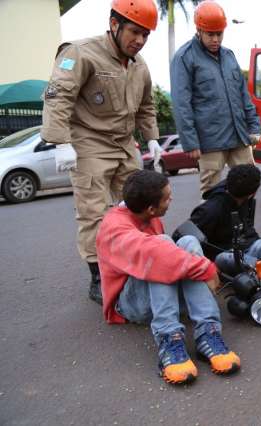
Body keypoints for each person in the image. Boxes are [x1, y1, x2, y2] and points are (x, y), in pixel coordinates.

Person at [41, 0, 161, 305]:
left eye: (145, 35)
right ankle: (99, 276)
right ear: (114, 24)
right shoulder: (80, 53)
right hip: (88, 141)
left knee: (139, 205)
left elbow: (146, 107)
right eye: (135, 32)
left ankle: (137, 264)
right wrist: (61, 141)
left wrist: (152, 140)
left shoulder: (140, 65)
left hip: (123, 143)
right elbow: (58, 96)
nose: (140, 40)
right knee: (94, 211)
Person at [96, 170, 241, 385]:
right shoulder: (114, 228)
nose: (171, 199)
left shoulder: (146, 214)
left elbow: (172, 258)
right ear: (151, 208)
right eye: (167, 197)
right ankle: (168, 338)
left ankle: (207, 332)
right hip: (131, 306)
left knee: (188, 242)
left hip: (160, 295)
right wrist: (207, 269)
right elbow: (158, 256)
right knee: (161, 248)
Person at [170, 0, 261, 197]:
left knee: (250, 184)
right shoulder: (184, 57)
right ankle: (215, 229)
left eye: (219, 33)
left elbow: (243, 95)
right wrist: (190, 141)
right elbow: (181, 103)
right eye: (210, 34)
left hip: (239, 135)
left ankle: (245, 228)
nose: (215, 39)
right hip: (209, 139)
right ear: (199, 30)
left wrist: (254, 126)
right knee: (211, 194)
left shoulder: (229, 56)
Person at [185, 164, 261, 275]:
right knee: (225, 258)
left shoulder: (244, 196)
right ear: (253, 193)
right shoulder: (210, 209)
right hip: (228, 255)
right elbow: (181, 237)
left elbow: (249, 230)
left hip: (253, 247)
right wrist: (207, 264)